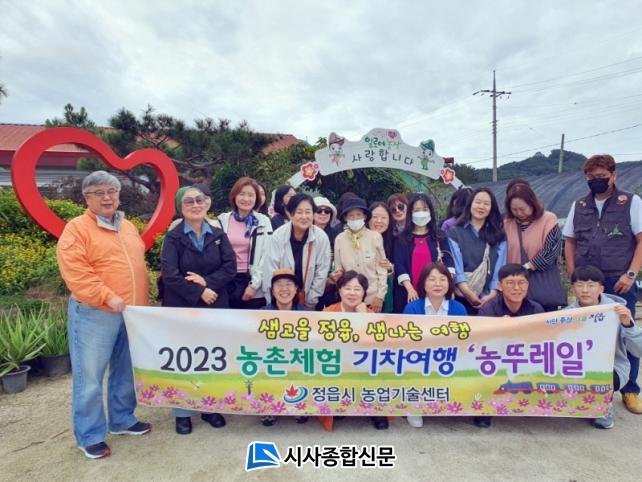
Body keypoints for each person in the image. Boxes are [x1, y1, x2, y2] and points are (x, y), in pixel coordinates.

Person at [56, 171, 151, 459]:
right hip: (94, 313)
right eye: (99, 192)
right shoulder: (76, 229)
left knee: (125, 370)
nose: (107, 197)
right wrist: (107, 296)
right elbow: (76, 272)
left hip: (131, 313)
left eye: (112, 191)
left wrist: (142, 304)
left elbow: (137, 268)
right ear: (87, 197)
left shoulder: (128, 227)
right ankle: (90, 435)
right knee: (90, 377)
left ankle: (122, 419)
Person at [563, 154, 642, 414]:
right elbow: (570, 241)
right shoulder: (579, 205)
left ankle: (630, 389)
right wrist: (573, 274)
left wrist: (631, 274)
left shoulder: (630, 202)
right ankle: (588, 384)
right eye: (592, 178)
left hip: (619, 279)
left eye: (602, 177)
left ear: (613, 176)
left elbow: (641, 239)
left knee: (625, 331)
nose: (597, 181)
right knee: (583, 333)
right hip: (587, 281)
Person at [161, 186, 237, 435]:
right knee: (184, 360)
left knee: (210, 358)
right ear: (180, 208)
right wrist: (199, 291)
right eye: (189, 201)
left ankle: (209, 407)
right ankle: (182, 413)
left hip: (214, 305)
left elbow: (230, 267)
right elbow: (170, 275)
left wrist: (208, 283)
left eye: (199, 200)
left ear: (206, 203)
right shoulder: (173, 238)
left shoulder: (218, 234)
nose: (195, 205)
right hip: (182, 308)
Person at [565, 265, 642, 429]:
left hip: (611, 368)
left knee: (601, 375)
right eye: (580, 285)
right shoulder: (565, 315)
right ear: (573, 288)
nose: (585, 290)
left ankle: (604, 406)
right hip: (575, 367)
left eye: (591, 285)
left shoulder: (617, 313)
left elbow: (638, 350)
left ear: (601, 288)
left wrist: (628, 325)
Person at [475, 264, 544, 428]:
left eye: (521, 283)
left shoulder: (536, 309)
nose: (516, 288)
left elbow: (543, 340)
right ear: (500, 286)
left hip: (524, 357)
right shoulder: (488, 309)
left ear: (528, 285)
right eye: (510, 283)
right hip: (495, 358)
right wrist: (498, 329)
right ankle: (484, 410)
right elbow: (479, 341)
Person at [403, 262, 468, 428]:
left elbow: (464, 340)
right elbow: (407, 341)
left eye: (442, 279)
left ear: (449, 283)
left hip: (449, 358)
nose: (438, 284)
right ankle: (415, 407)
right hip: (420, 359)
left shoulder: (459, 308)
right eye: (432, 279)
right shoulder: (412, 308)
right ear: (423, 284)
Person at [323, 271, 389, 430]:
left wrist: (363, 317)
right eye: (347, 288)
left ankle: (375, 411)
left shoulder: (371, 314)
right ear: (339, 291)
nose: (352, 293)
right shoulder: (328, 312)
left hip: (363, 363)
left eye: (357, 289)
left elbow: (378, 345)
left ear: (364, 293)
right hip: (338, 362)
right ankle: (339, 404)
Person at [263, 193, 331, 310]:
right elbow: (270, 270)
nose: (304, 217)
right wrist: (274, 300)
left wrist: (311, 300)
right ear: (290, 214)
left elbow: (322, 271)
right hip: (280, 299)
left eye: (308, 212)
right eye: (299, 212)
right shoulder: (278, 236)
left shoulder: (321, 237)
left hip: (308, 299)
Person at [504, 184, 566, 311]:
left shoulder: (548, 219)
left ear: (532, 203)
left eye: (522, 209)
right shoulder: (506, 223)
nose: (519, 213)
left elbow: (551, 252)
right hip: (515, 288)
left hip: (543, 285)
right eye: (514, 210)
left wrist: (526, 267)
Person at [260, 269, 309, 426]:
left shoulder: (307, 315)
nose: (284, 289)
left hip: (296, 359)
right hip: (272, 360)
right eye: (279, 285)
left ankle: (298, 406)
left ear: (296, 290)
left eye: (289, 284)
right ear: (272, 290)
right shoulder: (261, 314)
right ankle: (269, 408)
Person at [447, 188, 507, 314]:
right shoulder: (455, 232)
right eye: (478, 202)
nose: (481, 207)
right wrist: (467, 292)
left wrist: (493, 293)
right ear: (470, 204)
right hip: (460, 296)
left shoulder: (499, 235)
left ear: (492, 208)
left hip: (490, 298)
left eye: (486, 204)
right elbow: (456, 266)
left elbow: (500, 267)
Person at [217, 177, 273, 309]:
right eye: (242, 194)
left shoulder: (263, 221)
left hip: (252, 281)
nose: (246, 199)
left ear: (256, 199)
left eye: (251, 195)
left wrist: (254, 285)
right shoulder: (222, 220)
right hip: (226, 280)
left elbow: (267, 255)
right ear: (234, 196)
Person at [394, 193, 452, 313]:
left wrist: (449, 288)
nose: (421, 213)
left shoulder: (439, 236)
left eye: (425, 209)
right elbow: (399, 265)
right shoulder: (402, 238)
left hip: (436, 293)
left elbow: (449, 262)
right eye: (417, 210)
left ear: (430, 212)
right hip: (409, 294)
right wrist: (410, 289)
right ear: (410, 213)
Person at [331, 196, 388, 313]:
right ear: (345, 218)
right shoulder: (340, 239)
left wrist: (380, 296)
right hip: (349, 298)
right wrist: (336, 275)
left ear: (365, 217)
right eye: (351, 216)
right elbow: (339, 269)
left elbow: (382, 270)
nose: (355, 218)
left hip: (372, 298)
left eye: (358, 215)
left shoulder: (375, 237)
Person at [368, 202, 395, 313]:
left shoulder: (396, 241)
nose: (379, 221)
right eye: (375, 217)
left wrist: (390, 267)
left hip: (387, 294)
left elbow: (401, 267)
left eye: (384, 218)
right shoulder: (357, 239)